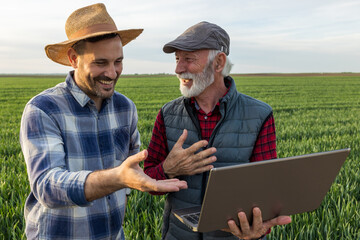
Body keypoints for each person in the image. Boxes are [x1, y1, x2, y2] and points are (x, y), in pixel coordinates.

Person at [19, 3, 187, 240]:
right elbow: (47, 185)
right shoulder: (44, 109)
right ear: (73, 58)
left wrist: (157, 171)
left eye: (118, 61)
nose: (112, 72)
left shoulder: (125, 108)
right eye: (100, 63)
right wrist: (117, 178)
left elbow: (132, 168)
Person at [144, 21, 292, 240]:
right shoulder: (167, 114)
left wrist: (258, 230)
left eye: (188, 59)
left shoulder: (259, 115)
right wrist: (168, 168)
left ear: (219, 62)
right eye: (177, 59)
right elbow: (147, 181)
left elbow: (266, 192)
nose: (178, 69)